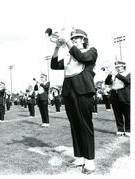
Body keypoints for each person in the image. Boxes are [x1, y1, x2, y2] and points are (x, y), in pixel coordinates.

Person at [50, 28, 97, 174]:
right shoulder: (69, 55)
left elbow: (82, 58)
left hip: (83, 91)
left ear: (83, 39)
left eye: (77, 37)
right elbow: (53, 65)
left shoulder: (91, 50)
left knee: (85, 124)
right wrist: (57, 46)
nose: (75, 39)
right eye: (73, 38)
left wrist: (68, 42)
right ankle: (80, 157)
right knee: (75, 125)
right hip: (69, 92)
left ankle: (90, 161)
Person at [105, 61, 130, 136]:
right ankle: (120, 129)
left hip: (125, 96)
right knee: (117, 114)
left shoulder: (129, 74)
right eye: (116, 67)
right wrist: (109, 75)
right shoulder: (114, 75)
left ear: (123, 67)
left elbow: (128, 81)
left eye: (119, 67)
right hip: (115, 96)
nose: (117, 68)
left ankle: (128, 130)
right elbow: (107, 83)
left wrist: (117, 75)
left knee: (127, 114)